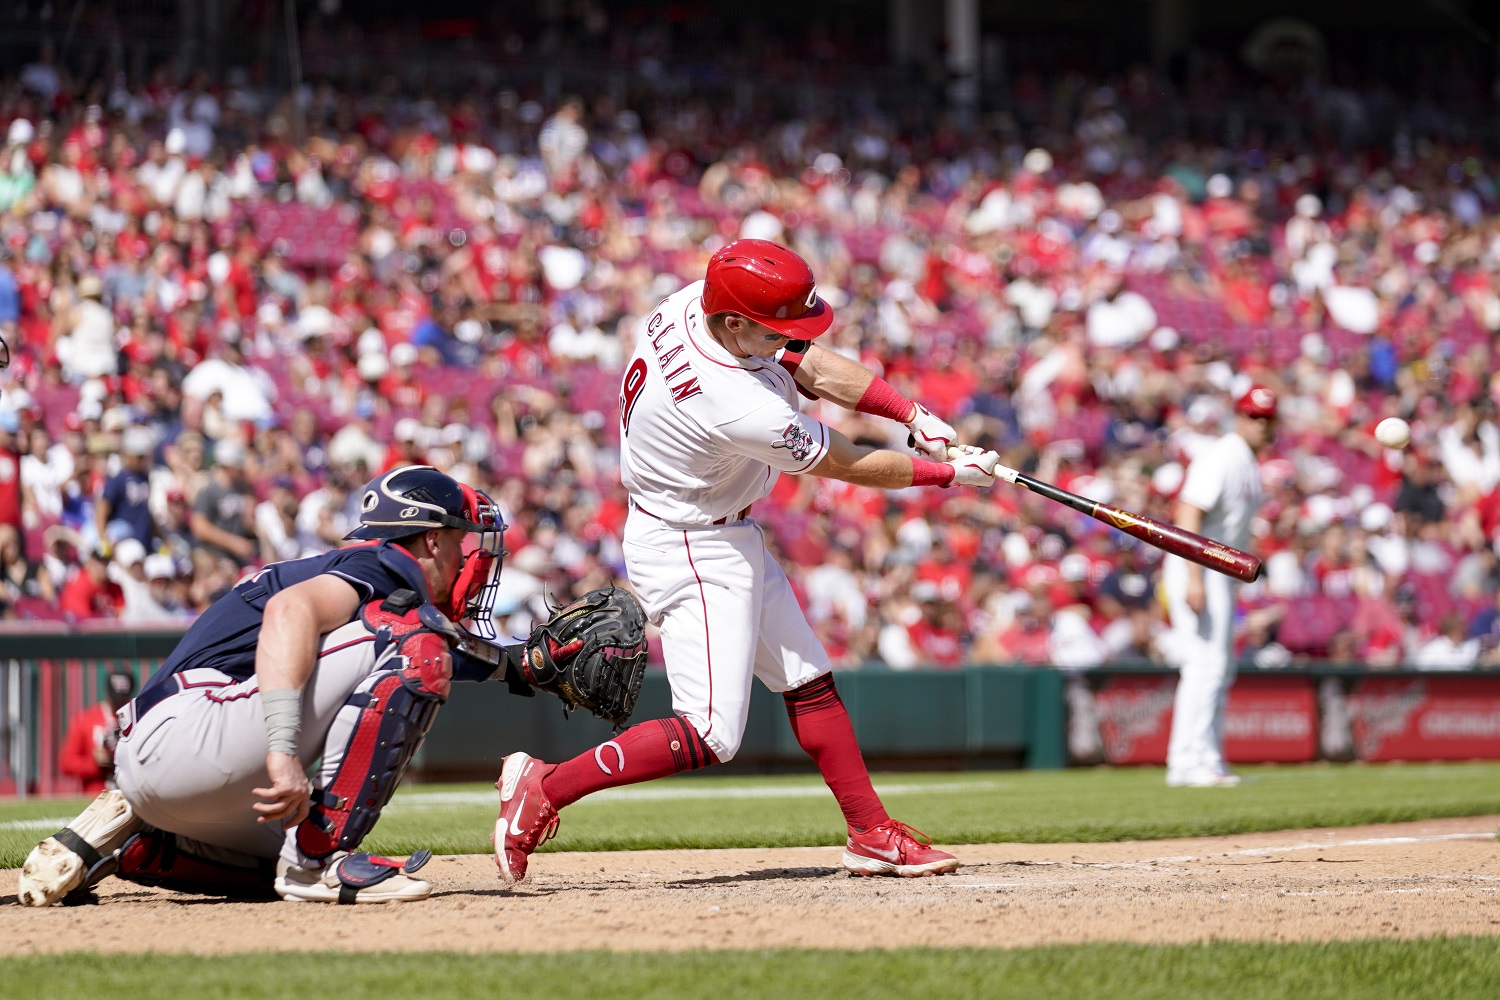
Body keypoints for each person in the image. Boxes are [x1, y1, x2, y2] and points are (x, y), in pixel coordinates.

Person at [494, 239, 1001, 882]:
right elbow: (844, 462)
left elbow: (807, 361)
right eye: (774, 326)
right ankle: (544, 785)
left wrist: (911, 412)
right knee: (711, 732)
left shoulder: (698, 305)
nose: (789, 336)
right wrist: (947, 474)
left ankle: (871, 833)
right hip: (691, 543)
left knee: (807, 677)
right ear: (735, 322)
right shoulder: (735, 402)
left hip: (714, 529)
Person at [19, 465, 507, 906]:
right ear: (432, 540)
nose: (470, 559)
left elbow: (436, 648)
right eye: (462, 541)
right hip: (189, 730)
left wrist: (519, 666)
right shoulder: (381, 564)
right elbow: (290, 611)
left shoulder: (351, 572)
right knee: (415, 645)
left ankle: (134, 842)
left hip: (177, 763)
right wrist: (281, 748)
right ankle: (321, 862)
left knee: (275, 868)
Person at [1160, 385, 1275, 788]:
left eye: (1266, 418)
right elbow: (1188, 512)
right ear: (1239, 417)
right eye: (1253, 416)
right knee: (1204, 665)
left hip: (1218, 574)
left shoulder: (1245, 460)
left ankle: (1206, 757)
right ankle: (1188, 763)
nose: (1260, 424)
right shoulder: (1224, 454)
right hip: (1198, 569)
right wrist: (1193, 578)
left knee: (1218, 669)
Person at [58, 671, 137, 794]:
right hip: (95, 794)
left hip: (129, 794)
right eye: (115, 698)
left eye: (123, 697)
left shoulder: (136, 720)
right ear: (107, 694)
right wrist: (94, 763)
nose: (119, 703)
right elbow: (66, 763)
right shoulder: (86, 719)